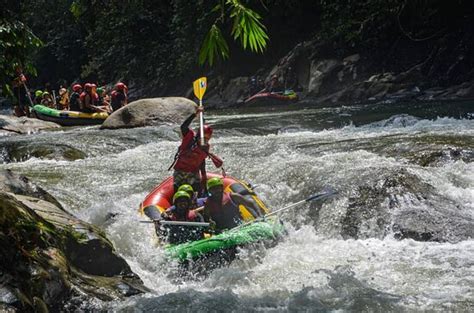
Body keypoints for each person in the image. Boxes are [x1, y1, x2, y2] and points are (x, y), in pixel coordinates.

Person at [169, 106, 223, 195]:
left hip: (194, 173)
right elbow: (183, 126)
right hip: (180, 171)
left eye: (207, 138)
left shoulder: (206, 147)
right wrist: (195, 114)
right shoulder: (189, 137)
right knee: (179, 195)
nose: (204, 140)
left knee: (196, 194)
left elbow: (202, 163)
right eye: (203, 137)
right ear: (198, 135)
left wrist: (204, 181)